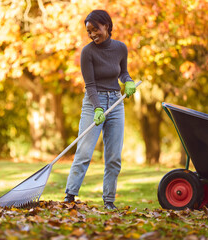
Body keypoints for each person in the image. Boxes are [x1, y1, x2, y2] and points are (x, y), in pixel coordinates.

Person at [64, 10, 137, 210]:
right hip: (93, 103)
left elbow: (122, 73)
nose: (92, 34)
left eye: (95, 29)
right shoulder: (88, 52)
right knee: (85, 152)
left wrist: (128, 82)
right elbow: (90, 85)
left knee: (114, 156)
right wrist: (97, 109)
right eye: (89, 31)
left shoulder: (121, 48)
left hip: (116, 103)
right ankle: (69, 196)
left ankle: (109, 201)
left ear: (106, 25)